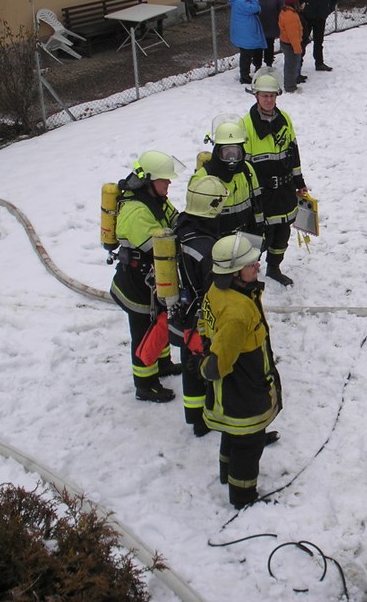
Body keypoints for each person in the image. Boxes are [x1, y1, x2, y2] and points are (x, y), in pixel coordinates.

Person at [200, 233, 281, 509]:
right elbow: (218, 364)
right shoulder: (236, 312)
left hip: (237, 387)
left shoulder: (219, 290)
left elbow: (205, 325)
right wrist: (206, 366)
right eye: (250, 264)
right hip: (243, 386)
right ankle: (243, 495)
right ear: (234, 272)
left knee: (233, 433)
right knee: (248, 442)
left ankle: (227, 471)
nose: (257, 266)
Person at [110, 150, 185, 403]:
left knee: (159, 321)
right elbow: (162, 245)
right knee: (143, 331)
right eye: (165, 179)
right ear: (149, 181)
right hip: (136, 284)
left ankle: (162, 364)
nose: (169, 182)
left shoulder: (156, 200)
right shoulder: (136, 212)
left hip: (153, 280)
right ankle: (145, 384)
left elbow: (176, 221)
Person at [172, 175, 229, 436]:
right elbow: (216, 288)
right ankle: (212, 415)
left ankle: (195, 417)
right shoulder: (206, 249)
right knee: (207, 364)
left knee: (190, 363)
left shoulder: (181, 225)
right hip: (202, 318)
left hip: (183, 312)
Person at [241, 74, 308, 286]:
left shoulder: (284, 119)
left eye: (272, 96)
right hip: (262, 193)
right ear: (256, 97)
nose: (269, 100)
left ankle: (274, 267)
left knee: (283, 231)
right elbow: (244, 166)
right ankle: (247, 271)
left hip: (285, 190)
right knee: (258, 234)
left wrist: (299, 182)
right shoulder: (246, 125)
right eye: (264, 96)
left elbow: (293, 153)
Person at [192, 118, 264, 240]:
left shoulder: (247, 170)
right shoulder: (202, 177)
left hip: (244, 239)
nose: (232, 157)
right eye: (226, 151)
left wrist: (259, 230)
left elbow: (257, 203)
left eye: (236, 151)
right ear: (217, 151)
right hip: (217, 242)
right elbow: (196, 221)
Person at [296, 0, 338, 72]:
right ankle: (297, 64)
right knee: (303, 40)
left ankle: (319, 63)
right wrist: (302, 4)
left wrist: (327, 10)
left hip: (320, 17)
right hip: (306, 17)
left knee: (319, 41)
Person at [228, 0, 267, 85]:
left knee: (247, 54)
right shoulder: (240, 2)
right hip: (245, 33)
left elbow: (257, 9)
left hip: (244, 32)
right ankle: (244, 76)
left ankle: (245, 74)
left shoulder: (239, 0)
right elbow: (255, 8)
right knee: (246, 55)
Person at [251, 0, 283, 72]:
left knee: (269, 45)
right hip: (256, 25)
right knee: (257, 47)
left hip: (271, 24)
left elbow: (280, 7)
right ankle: (257, 65)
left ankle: (269, 64)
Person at [278, 0, 304, 93]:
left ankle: (289, 84)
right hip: (291, 45)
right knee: (291, 66)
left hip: (286, 43)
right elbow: (292, 34)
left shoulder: (285, 11)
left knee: (289, 65)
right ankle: (290, 87)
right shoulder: (291, 16)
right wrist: (297, 48)